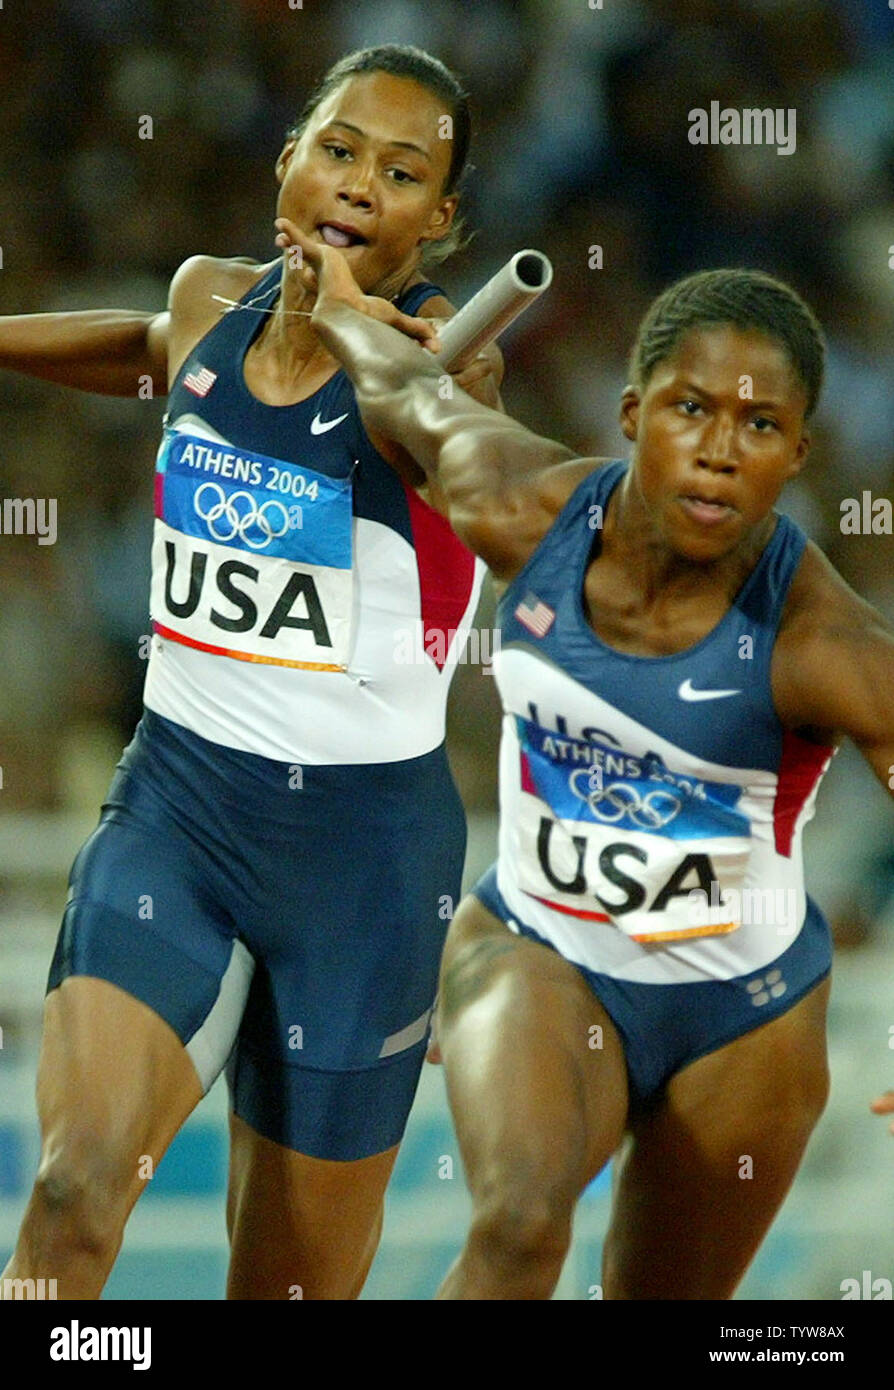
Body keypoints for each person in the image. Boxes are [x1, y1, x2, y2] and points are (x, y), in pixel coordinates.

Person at [282, 226, 894, 1300]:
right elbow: (408, 390)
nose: (718, 449)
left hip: (743, 1012)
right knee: (519, 1227)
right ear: (631, 413)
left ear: (800, 453)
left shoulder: (824, 648)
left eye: (761, 424)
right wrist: (334, 304)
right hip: (540, 948)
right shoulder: (517, 503)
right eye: (691, 408)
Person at [1, 44, 504, 1300]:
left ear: (440, 221)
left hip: (367, 873)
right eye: (338, 149)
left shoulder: (439, 371)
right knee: (70, 1193)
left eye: (402, 172)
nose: (359, 186)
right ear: (288, 159)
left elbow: (471, 448)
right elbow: (147, 346)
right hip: (179, 810)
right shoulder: (205, 300)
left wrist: (371, 338)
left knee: (286, 1291)